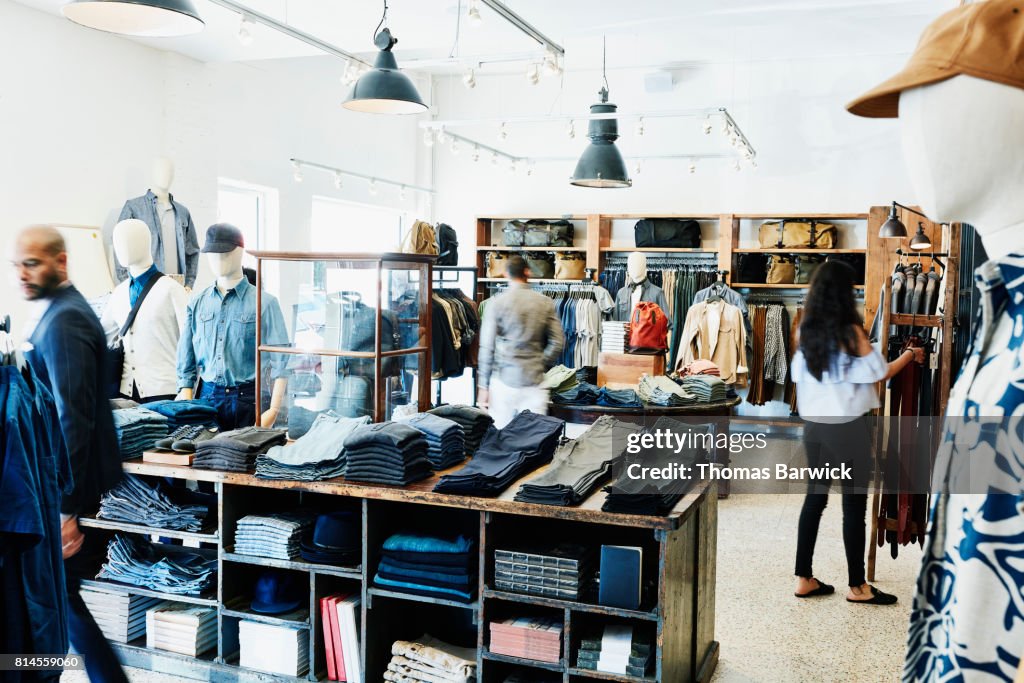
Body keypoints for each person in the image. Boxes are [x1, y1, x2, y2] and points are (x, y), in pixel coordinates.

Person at [13, 226, 128, 683]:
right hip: (61, 489)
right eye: (18, 263)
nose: (23, 273)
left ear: (60, 262)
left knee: (59, 606)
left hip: (70, 493)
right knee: (60, 606)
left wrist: (65, 508)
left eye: (33, 262)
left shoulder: (67, 320)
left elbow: (72, 418)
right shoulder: (57, 311)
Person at [789, 260, 923, 605]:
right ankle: (858, 587)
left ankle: (804, 578)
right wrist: (910, 354)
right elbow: (879, 372)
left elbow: (799, 377)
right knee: (853, 507)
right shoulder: (850, 331)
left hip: (815, 428)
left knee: (814, 501)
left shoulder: (805, 330)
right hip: (848, 429)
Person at [477, 255, 564, 428]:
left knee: (500, 435)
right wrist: (540, 361)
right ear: (527, 272)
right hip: (534, 380)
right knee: (534, 439)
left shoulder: (496, 303)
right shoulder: (545, 303)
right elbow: (558, 342)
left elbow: (487, 348)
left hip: (503, 379)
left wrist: (483, 387)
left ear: (505, 275)